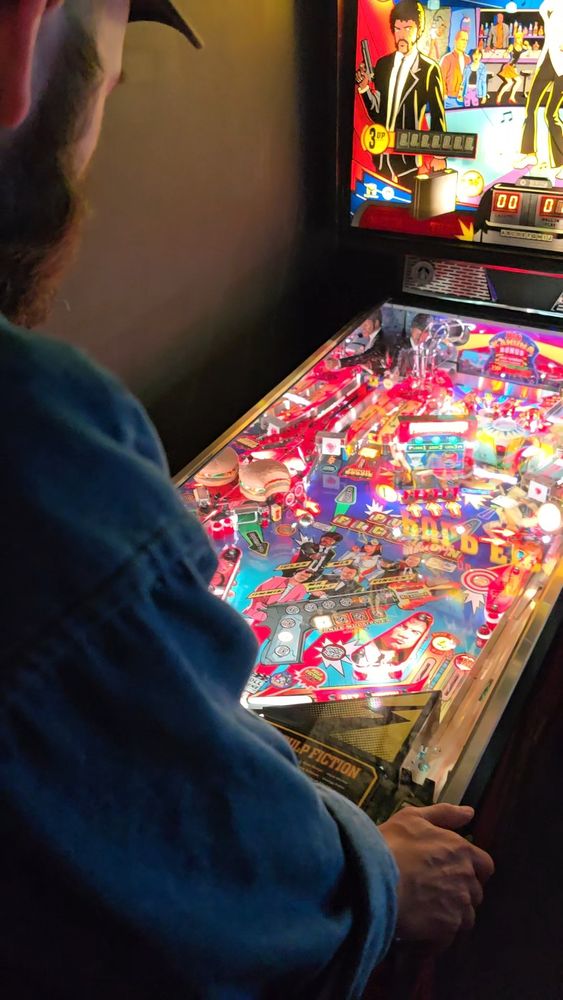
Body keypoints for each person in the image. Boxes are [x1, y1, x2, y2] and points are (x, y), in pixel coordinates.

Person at [0, 3, 494, 998]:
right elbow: (208, 848)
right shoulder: (40, 440)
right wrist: (379, 878)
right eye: (107, 62)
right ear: (22, 40)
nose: (112, 93)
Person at [355, 0, 447, 187]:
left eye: (408, 28)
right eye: (398, 29)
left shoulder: (429, 69)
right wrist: (364, 88)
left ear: (419, 30)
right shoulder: (383, 64)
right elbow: (378, 112)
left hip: (408, 159)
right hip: (380, 156)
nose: (402, 35)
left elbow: (438, 115)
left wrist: (439, 155)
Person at [514, 0, 563, 176]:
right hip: (547, 61)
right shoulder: (547, 7)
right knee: (531, 108)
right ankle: (529, 153)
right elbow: (544, 9)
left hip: (562, 68)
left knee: (551, 114)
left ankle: (561, 162)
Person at [351, 612, 433, 682]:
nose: (405, 635)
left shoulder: (414, 662)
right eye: (403, 627)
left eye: (415, 632)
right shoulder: (360, 647)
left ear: (422, 639)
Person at [496, 30, 531, 104]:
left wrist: (528, 45)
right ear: (515, 38)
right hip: (508, 67)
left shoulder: (522, 47)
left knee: (517, 81)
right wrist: (507, 52)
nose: (520, 40)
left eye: (521, 38)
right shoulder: (512, 46)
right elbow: (506, 53)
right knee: (510, 83)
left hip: (513, 68)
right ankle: (500, 96)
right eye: (518, 38)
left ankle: (511, 97)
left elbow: (529, 50)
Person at [440, 30, 470, 106]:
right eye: (463, 39)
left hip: (465, 98)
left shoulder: (468, 59)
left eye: (466, 40)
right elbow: (441, 79)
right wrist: (444, 95)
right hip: (450, 98)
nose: (465, 43)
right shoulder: (447, 58)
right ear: (456, 41)